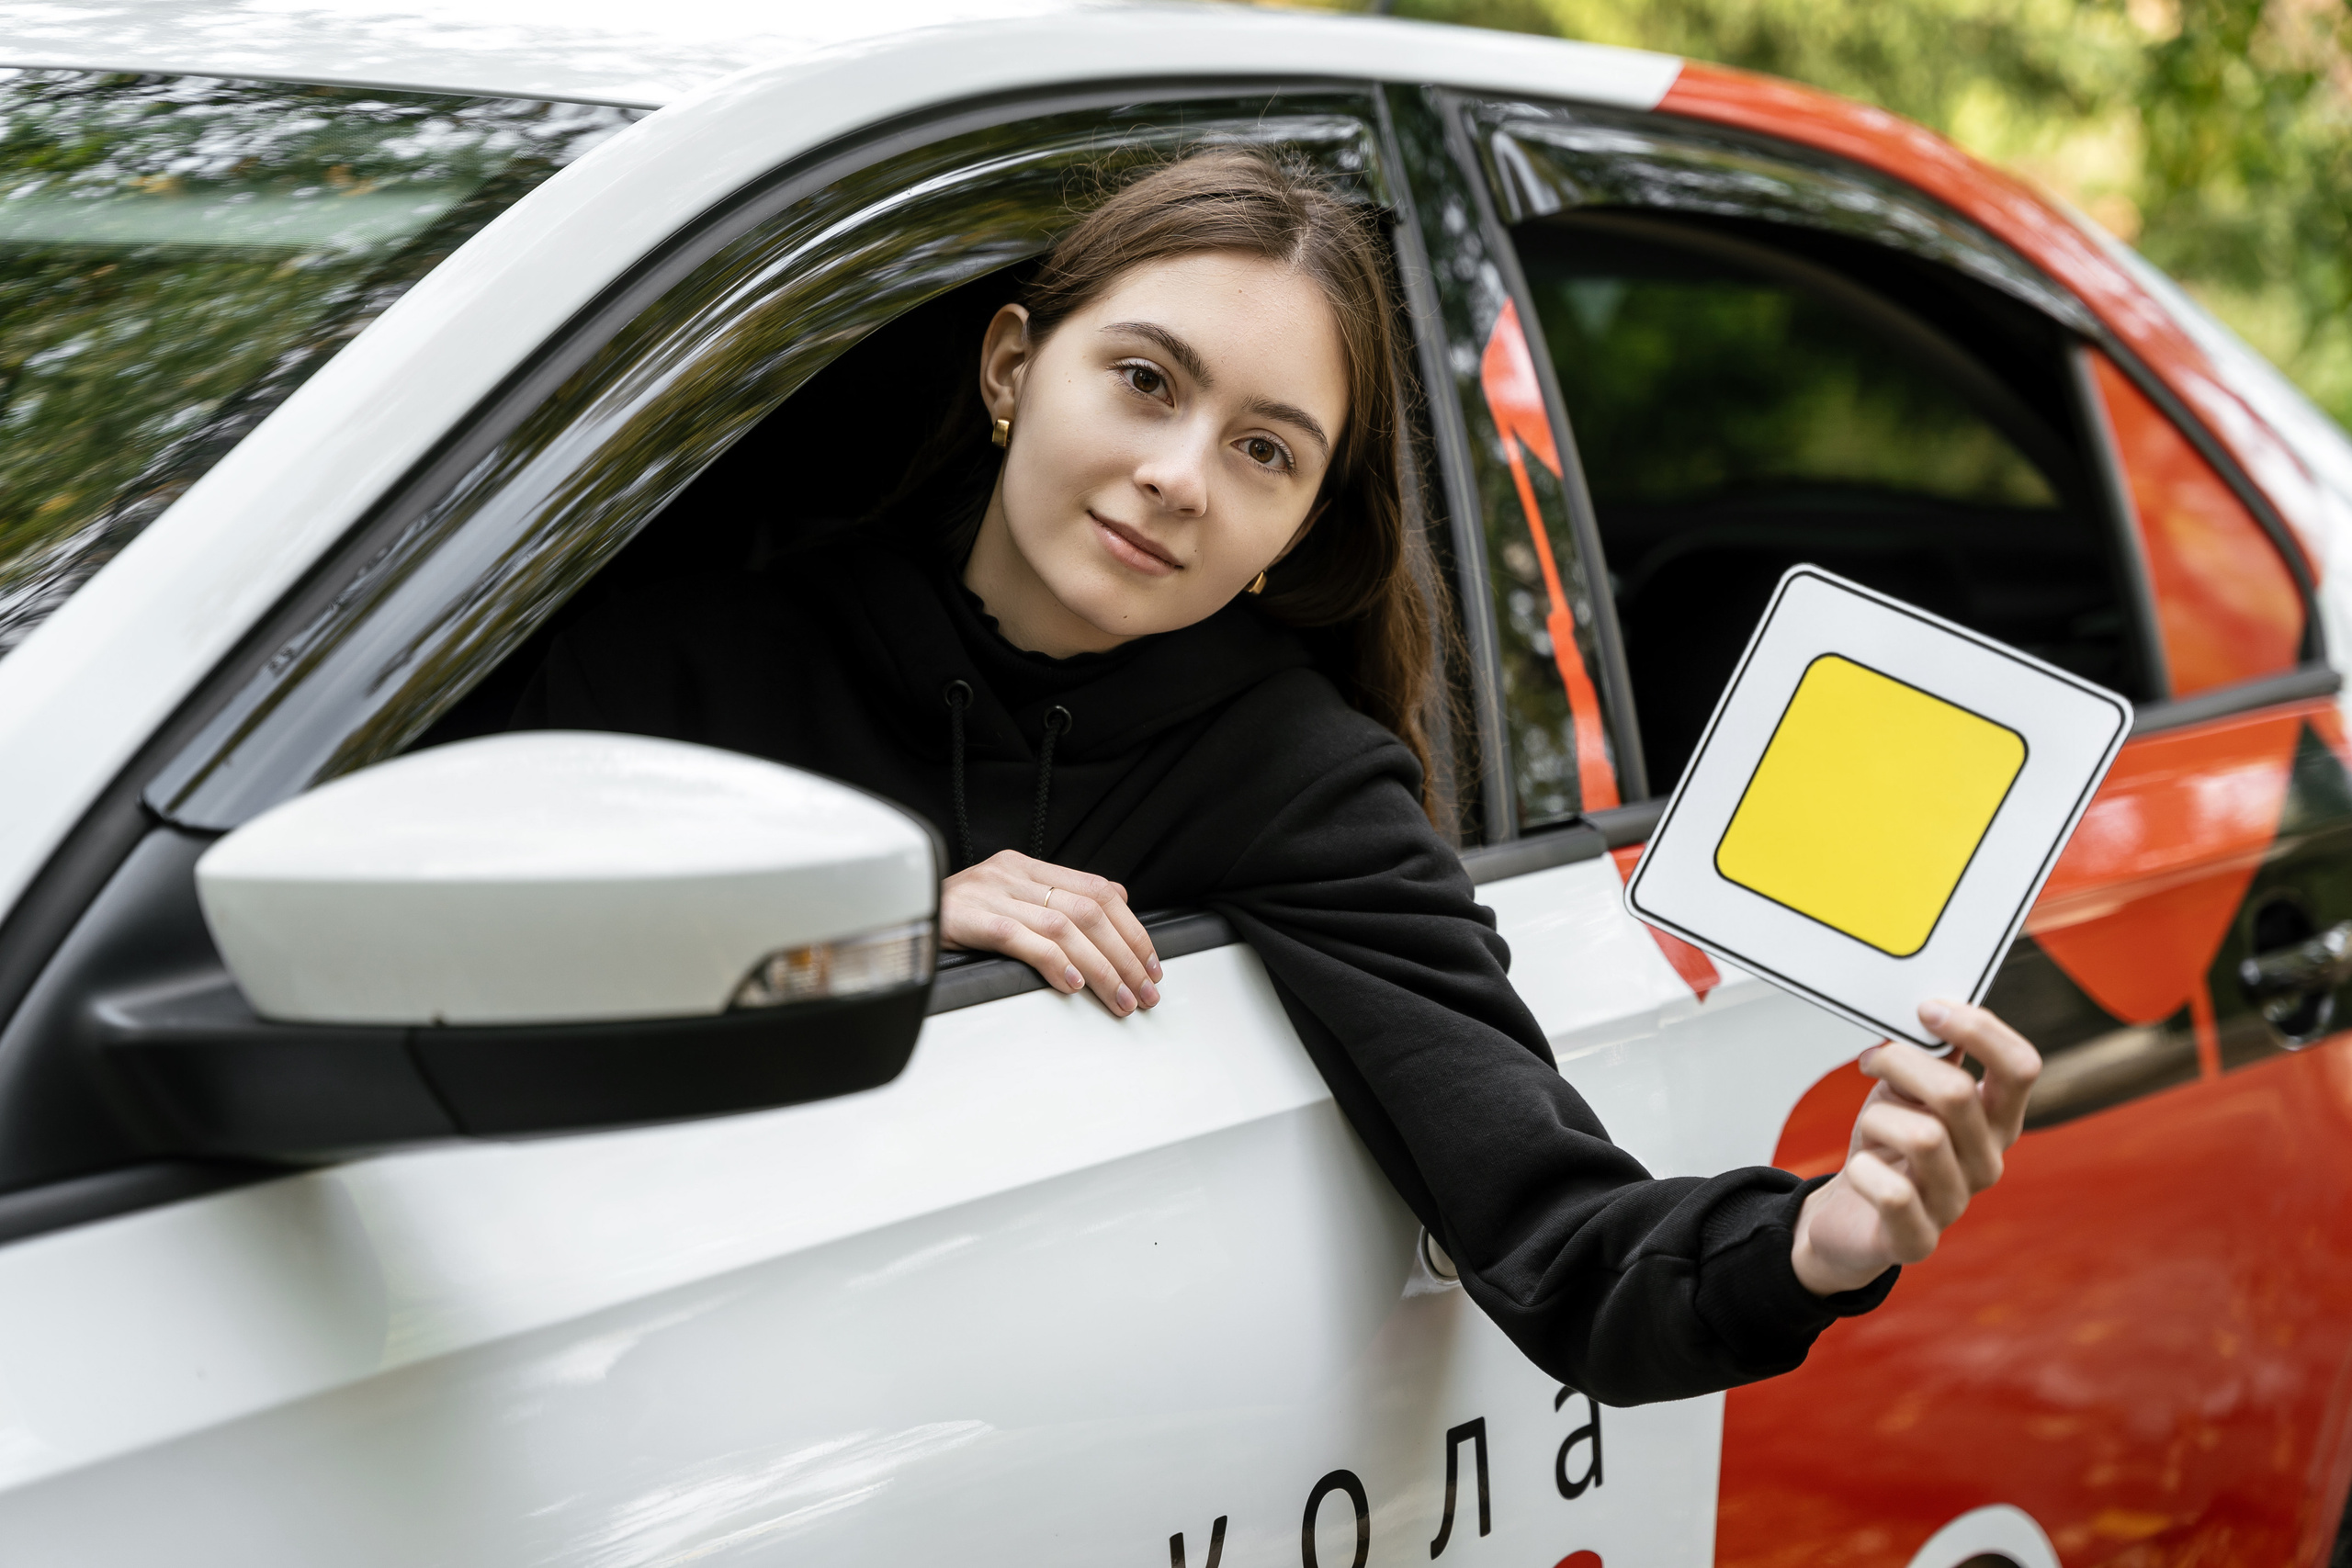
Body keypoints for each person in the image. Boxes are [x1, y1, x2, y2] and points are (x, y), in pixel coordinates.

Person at [511, 146, 2041, 1405]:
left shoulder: (1290, 778)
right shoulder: (667, 664)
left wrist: (1820, 1243)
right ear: (1012, 367)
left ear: (1300, 525)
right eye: (1145, 380)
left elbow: (1558, 1237)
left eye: (1266, 452)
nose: (1179, 476)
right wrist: (882, 914)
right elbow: (444, 944)